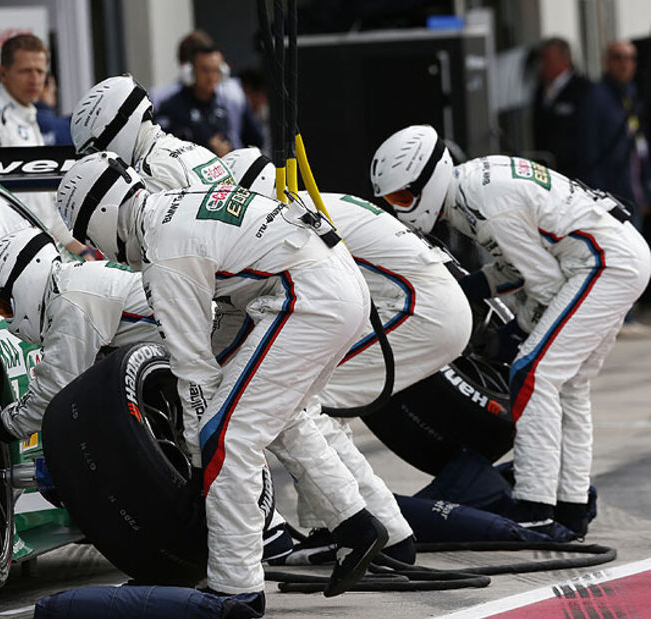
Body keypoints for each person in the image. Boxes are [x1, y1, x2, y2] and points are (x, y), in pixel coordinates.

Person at [61, 151, 389, 605]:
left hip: (309, 296)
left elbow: (192, 371)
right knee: (279, 418)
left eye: (84, 233)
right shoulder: (173, 207)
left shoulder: (163, 250)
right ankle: (356, 524)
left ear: (96, 214)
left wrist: (198, 467)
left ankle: (238, 589)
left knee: (225, 437)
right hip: (335, 286)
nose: (94, 248)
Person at [371, 124, 651, 536]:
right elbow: (517, 266)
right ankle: (570, 508)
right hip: (611, 257)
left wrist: (519, 332)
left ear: (428, 179)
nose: (400, 209)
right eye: (390, 200)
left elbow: (544, 282)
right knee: (567, 384)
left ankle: (535, 505)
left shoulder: (485, 201)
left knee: (532, 374)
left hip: (604, 263)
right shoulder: (470, 188)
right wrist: (467, 291)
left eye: (403, 197)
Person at [0, 228, 293, 563]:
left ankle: (263, 535)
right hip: (198, 350)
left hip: (203, 355)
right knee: (204, 448)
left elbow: (55, 388)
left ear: (24, 280)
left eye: (6, 308)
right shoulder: (73, 285)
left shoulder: (69, 302)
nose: (8, 320)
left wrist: (3, 425)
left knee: (205, 450)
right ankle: (269, 533)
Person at [223, 147, 478, 562]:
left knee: (301, 401)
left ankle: (385, 535)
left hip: (423, 307)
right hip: (430, 302)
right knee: (319, 402)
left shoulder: (289, 220)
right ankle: (333, 528)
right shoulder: (311, 202)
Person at [0, 34, 87, 258]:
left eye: (40, 71)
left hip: (41, 247)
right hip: (12, 254)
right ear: (3, 74)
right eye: (25, 71)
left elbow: (44, 206)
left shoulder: (26, 115)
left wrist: (80, 247)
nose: (34, 79)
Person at [71, 75, 236, 193]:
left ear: (114, 128)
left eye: (93, 151)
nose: (97, 158)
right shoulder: (197, 151)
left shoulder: (149, 177)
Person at [578, 40, 651, 231]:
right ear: (607, 62)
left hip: (635, 192)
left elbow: (639, 145)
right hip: (612, 195)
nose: (625, 64)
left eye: (630, 59)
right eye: (619, 58)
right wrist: (599, 197)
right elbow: (588, 150)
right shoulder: (596, 97)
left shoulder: (633, 94)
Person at [150, 30, 258, 151]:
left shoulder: (227, 104)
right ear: (190, 72)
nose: (211, 77)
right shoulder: (170, 107)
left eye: (216, 70)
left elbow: (254, 139)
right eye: (205, 70)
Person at [532, 37, 590, 179]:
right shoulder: (540, 89)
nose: (542, 65)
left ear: (564, 60)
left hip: (575, 171)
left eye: (547, 59)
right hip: (547, 168)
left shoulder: (582, 89)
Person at [36, 74, 72, 146]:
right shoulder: (68, 128)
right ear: (43, 89)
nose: (55, 99)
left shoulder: (14, 124)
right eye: (53, 93)